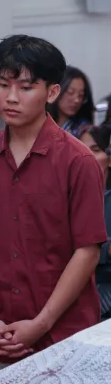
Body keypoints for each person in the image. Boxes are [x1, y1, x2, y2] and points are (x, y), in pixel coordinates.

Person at [0, 34, 107, 379]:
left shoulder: (78, 161)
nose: (11, 97)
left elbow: (87, 251)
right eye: (3, 84)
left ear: (51, 92)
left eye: (25, 87)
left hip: (64, 338)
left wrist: (41, 323)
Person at [78, 124, 111, 320]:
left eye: (95, 149)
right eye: (81, 148)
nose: (86, 155)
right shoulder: (62, 200)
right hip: (71, 293)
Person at [48, 66, 94, 137]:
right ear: (55, 91)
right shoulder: (39, 122)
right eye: (70, 93)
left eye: (81, 95)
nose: (76, 100)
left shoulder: (82, 130)